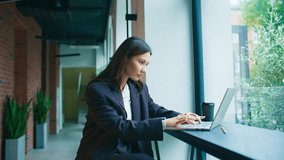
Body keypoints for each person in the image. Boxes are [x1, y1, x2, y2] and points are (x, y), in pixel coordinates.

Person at [75, 37, 204, 160]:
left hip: (129, 151)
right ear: (125, 58)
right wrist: (165, 123)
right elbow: (119, 127)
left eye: (146, 64)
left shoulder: (138, 88)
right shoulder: (98, 90)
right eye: (141, 62)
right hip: (103, 154)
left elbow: (155, 110)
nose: (144, 70)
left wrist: (183, 117)